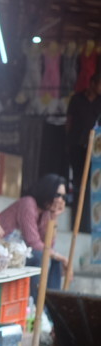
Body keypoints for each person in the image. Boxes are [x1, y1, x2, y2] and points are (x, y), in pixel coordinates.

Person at [0, 173, 71, 293]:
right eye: (57, 195)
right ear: (47, 191)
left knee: (54, 260)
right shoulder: (28, 203)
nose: (60, 200)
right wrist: (62, 257)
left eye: (64, 197)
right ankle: (36, 303)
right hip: (3, 251)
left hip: (20, 253)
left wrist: (54, 217)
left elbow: (48, 245)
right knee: (40, 256)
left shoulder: (46, 212)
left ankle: (50, 303)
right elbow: (34, 243)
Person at [65, 71, 101, 232]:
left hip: (95, 149)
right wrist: (68, 141)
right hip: (76, 144)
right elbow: (69, 121)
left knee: (92, 181)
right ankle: (76, 209)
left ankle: (88, 214)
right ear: (92, 84)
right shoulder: (77, 99)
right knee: (78, 179)